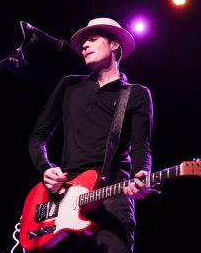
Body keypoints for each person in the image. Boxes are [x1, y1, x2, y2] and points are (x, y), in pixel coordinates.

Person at [28, 17, 154, 253]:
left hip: (113, 196)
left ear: (115, 45)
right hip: (65, 198)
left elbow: (141, 145)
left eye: (93, 39)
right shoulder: (69, 86)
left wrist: (142, 175)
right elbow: (38, 136)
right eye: (83, 43)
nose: (85, 46)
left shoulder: (136, 94)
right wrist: (45, 168)